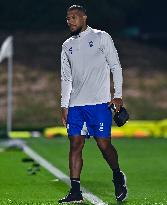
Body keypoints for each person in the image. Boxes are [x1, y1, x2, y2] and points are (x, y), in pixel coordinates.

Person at [59, 5, 128, 204]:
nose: (70, 21)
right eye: (67, 18)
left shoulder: (101, 37)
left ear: (84, 18)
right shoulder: (66, 46)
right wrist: (64, 106)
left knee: (104, 145)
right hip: (76, 106)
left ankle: (117, 175)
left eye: (74, 17)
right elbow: (66, 78)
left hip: (99, 103)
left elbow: (116, 66)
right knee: (75, 144)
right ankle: (75, 191)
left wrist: (118, 95)